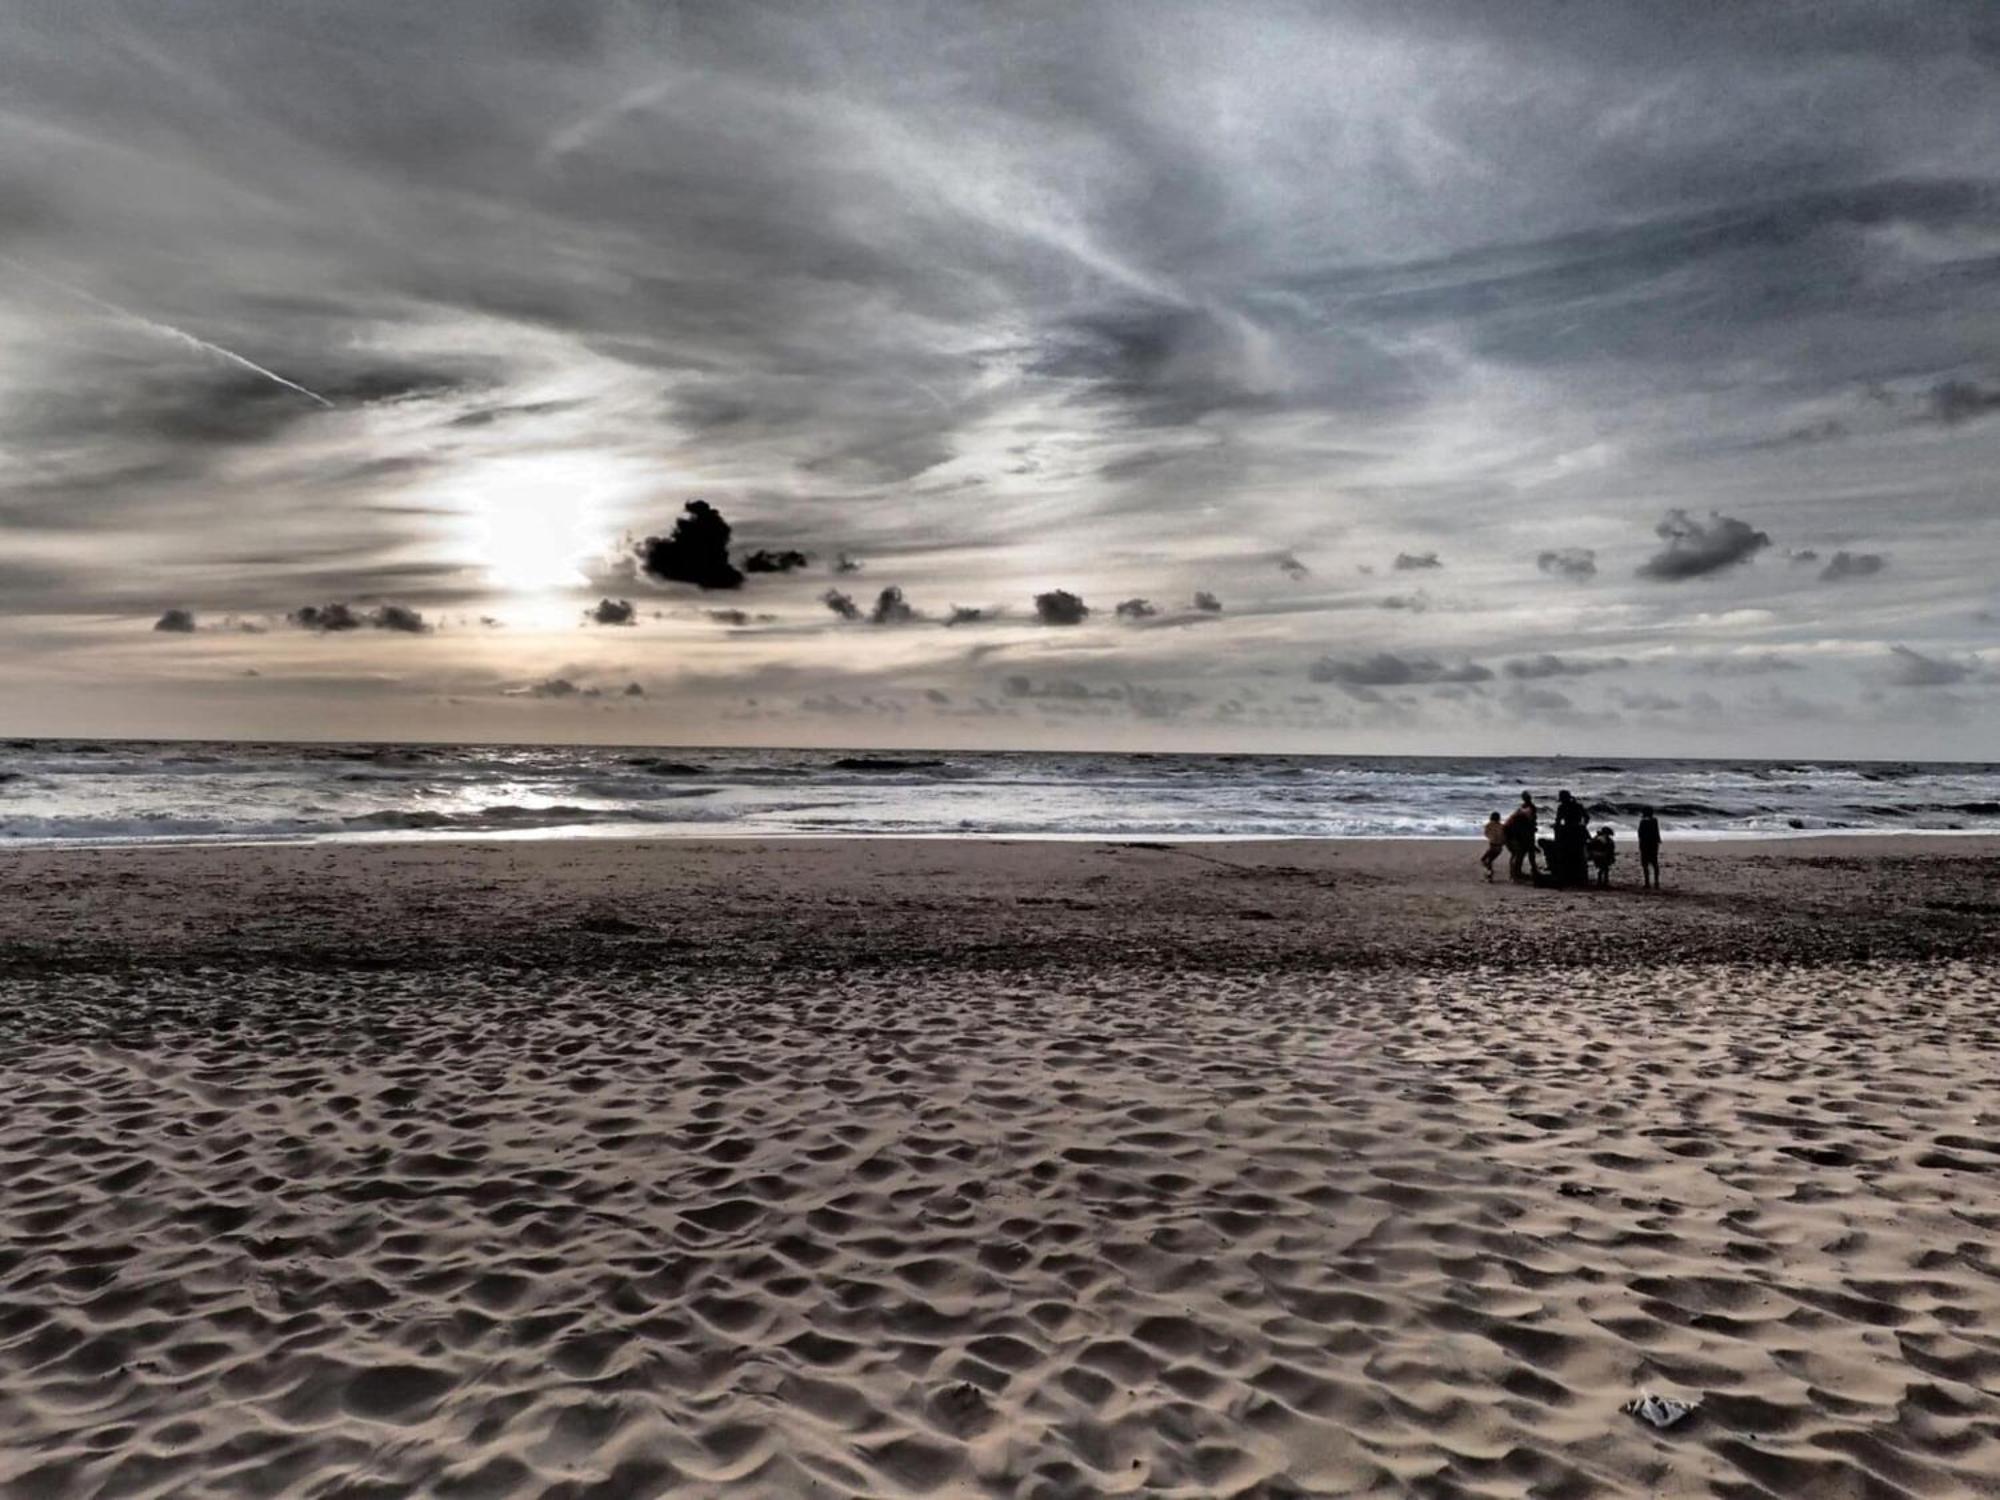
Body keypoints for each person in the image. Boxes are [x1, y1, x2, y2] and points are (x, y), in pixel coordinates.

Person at [1502, 792, 1538, 881]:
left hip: (1511, 834)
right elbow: (1522, 830)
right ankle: (1515, 875)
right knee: (1518, 853)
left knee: (1520, 853)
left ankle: (1516, 873)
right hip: (1512, 835)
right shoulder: (1523, 816)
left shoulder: (1522, 811)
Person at [1638, 807, 1662, 889]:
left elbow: (1640, 834)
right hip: (1653, 844)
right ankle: (1656, 882)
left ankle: (1647, 882)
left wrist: (1640, 845)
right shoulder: (1655, 821)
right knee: (1654, 863)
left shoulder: (1643, 822)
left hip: (1645, 845)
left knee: (1645, 864)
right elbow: (1657, 832)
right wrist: (1658, 840)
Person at [1480, 811, 1505, 880]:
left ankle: (1489, 875)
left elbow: (1486, 834)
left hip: (1493, 846)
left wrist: (1492, 837)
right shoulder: (1502, 826)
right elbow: (1504, 837)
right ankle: (1489, 874)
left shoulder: (1489, 825)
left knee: (1484, 860)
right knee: (1489, 861)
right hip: (1499, 848)